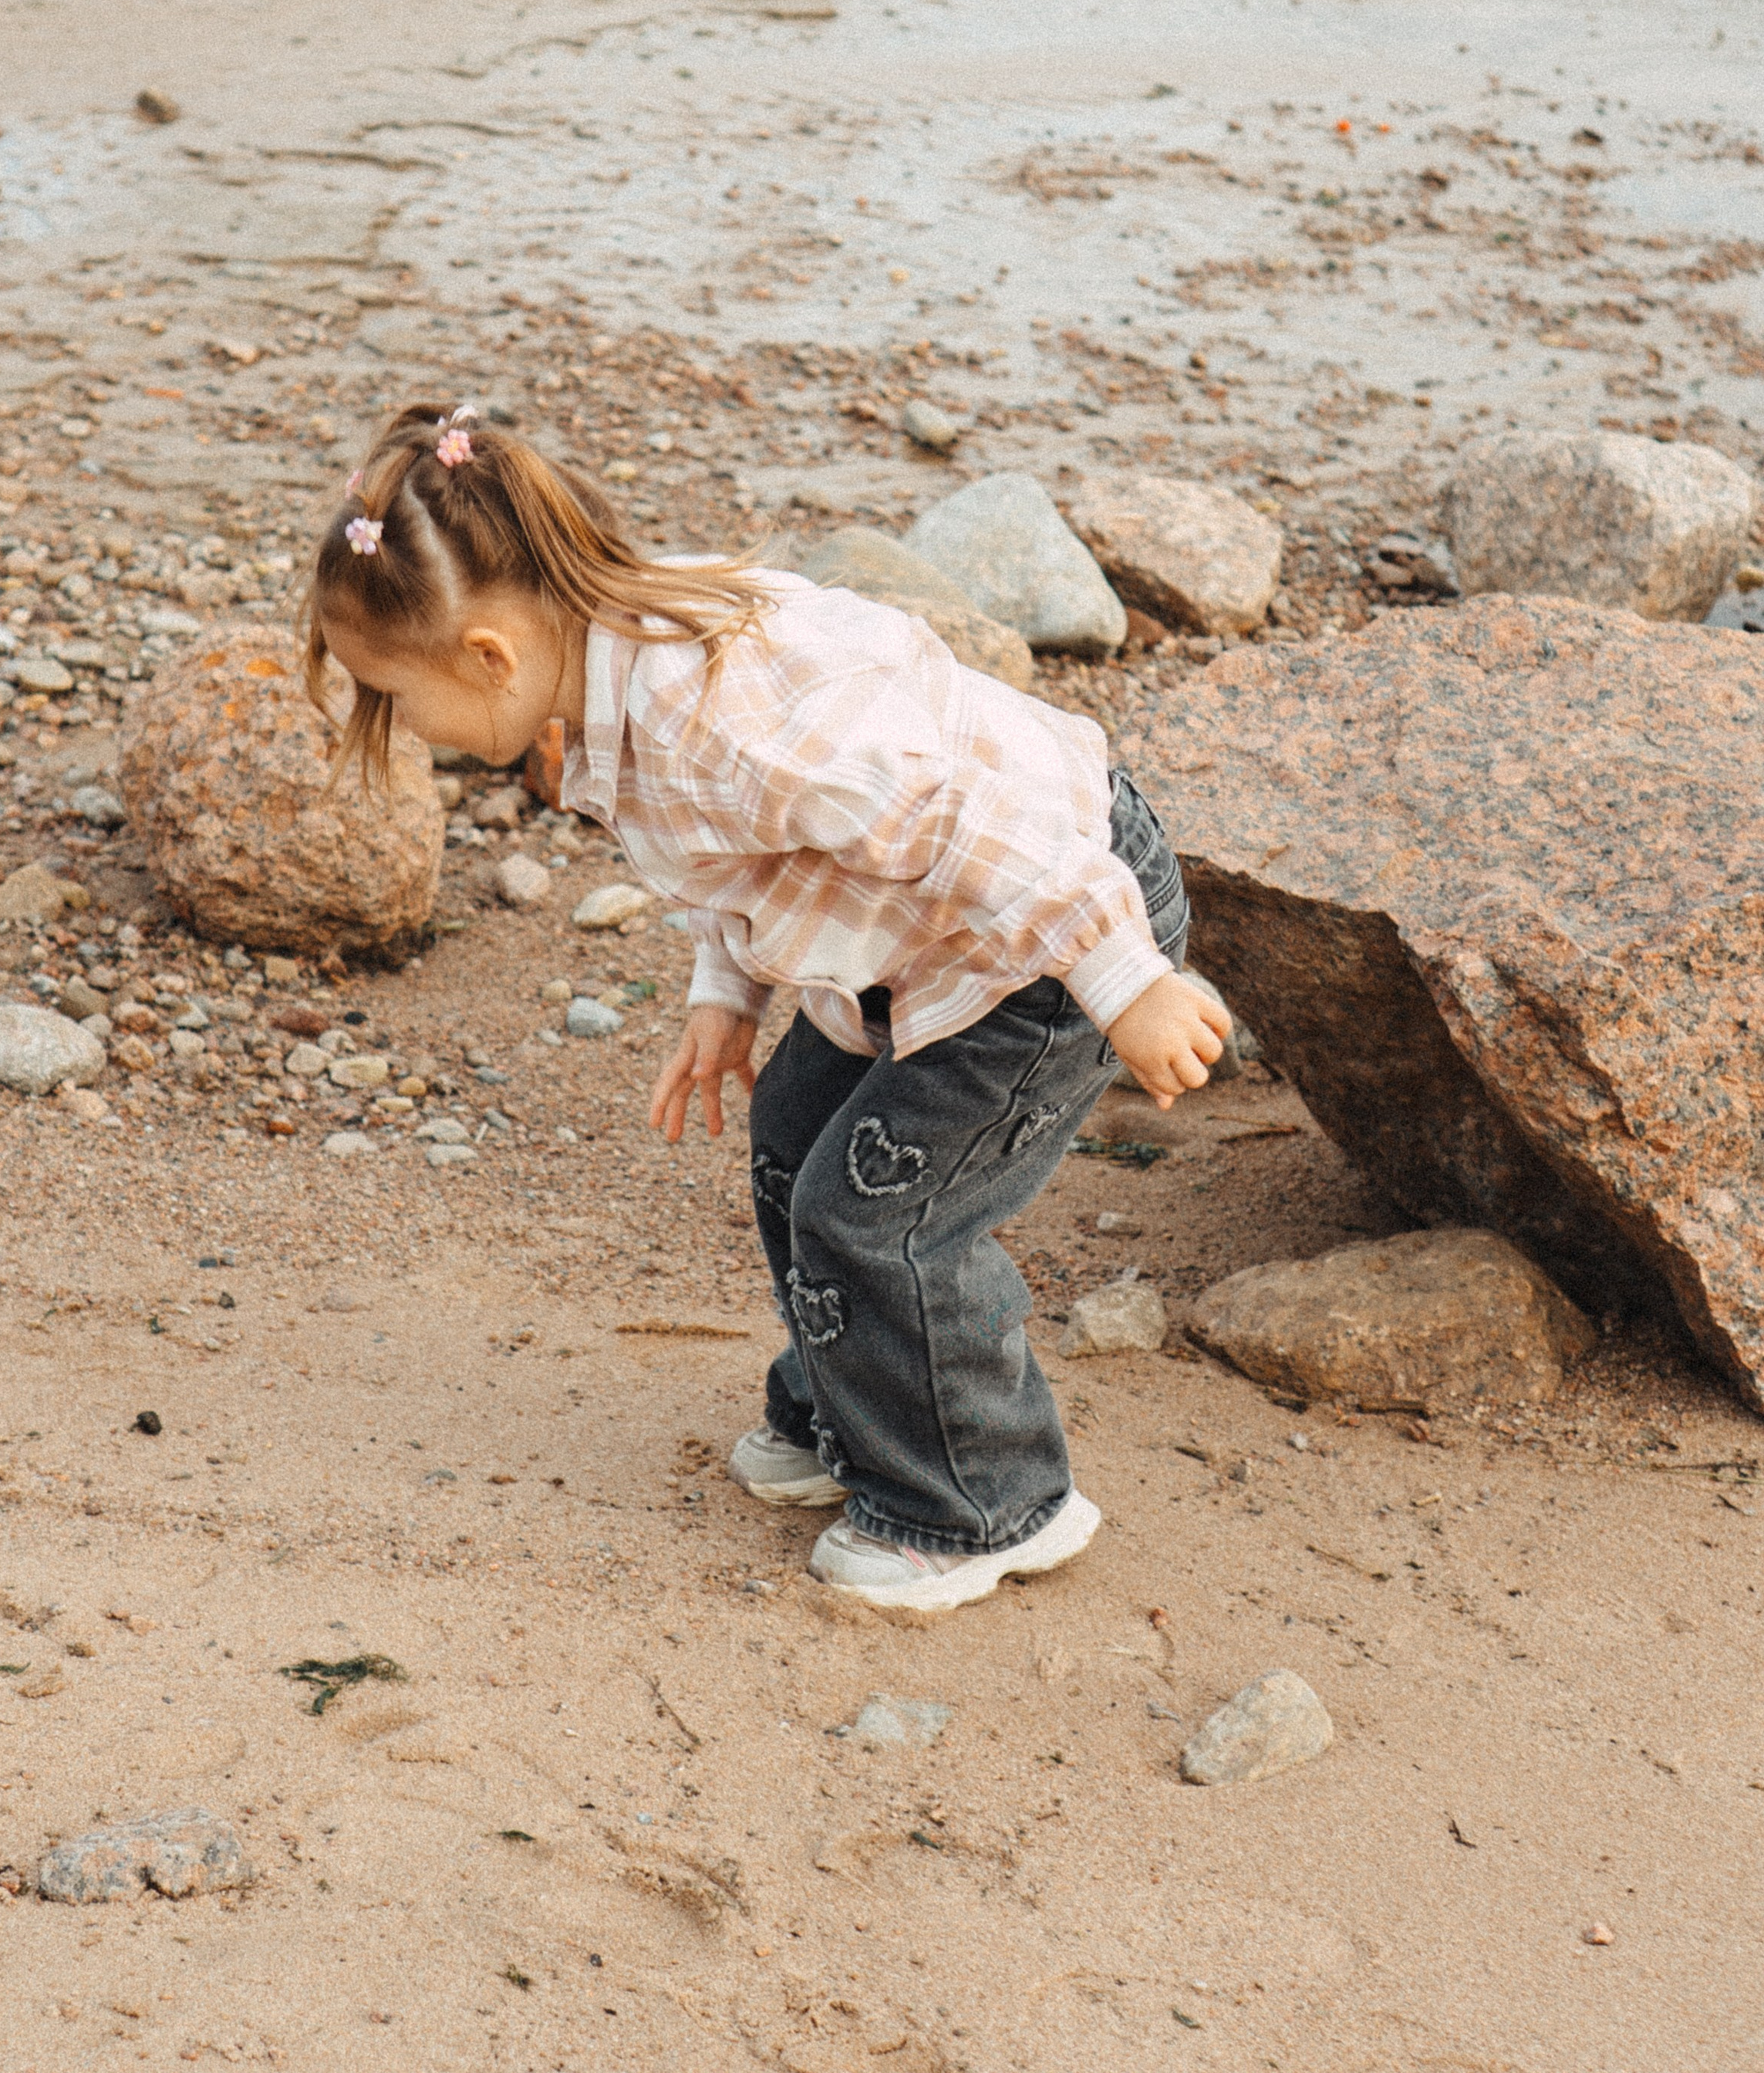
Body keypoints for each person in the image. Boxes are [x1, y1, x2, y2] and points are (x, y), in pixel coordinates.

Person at [308, 402, 1229, 1616]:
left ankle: (981, 1505)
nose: (399, 730)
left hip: (1047, 936)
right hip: (919, 947)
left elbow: (969, 825)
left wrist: (1129, 986)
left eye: (393, 696)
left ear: (489, 655)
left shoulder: (728, 729)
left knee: (880, 1215)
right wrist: (722, 992)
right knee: (797, 1138)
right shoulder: (609, 658)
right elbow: (742, 867)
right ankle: (855, 1414)